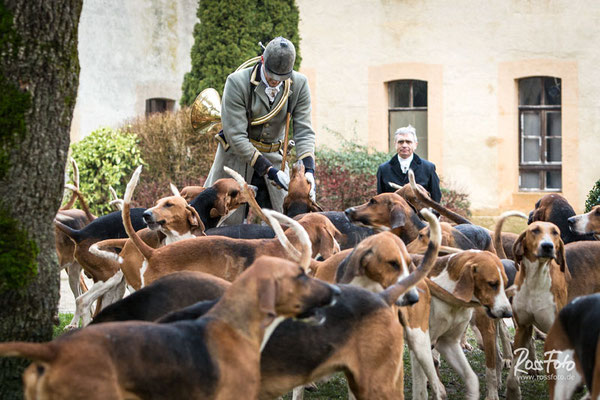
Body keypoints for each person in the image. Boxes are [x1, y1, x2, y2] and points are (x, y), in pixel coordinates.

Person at [205, 37, 316, 225]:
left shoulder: (300, 84)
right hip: (236, 158)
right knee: (222, 223)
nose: (275, 82)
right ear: (262, 61)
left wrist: (309, 171)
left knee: (286, 223)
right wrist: (269, 171)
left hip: (275, 157)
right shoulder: (237, 82)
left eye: (282, 78)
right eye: (272, 76)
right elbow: (236, 137)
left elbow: (304, 130)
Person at [376, 125, 442, 202]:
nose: (404, 145)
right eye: (400, 142)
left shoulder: (428, 168)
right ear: (395, 144)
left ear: (415, 144)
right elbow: (380, 200)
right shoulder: (383, 169)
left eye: (408, 142)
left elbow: (436, 197)